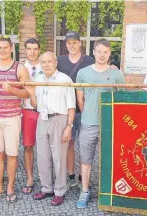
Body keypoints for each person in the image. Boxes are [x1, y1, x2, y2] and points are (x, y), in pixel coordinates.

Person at [76, 39, 125, 208]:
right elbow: (80, 99)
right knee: (85, 159)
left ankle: (108, 192)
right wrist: (88, 114)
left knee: (109, 159)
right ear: (94, 52)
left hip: (109, 124)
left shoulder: (117, 75)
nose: (102, 55)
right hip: (88, 123)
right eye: (99, 51)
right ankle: (85, 191)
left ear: (109, 53)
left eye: (105, 52)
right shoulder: (83, 73)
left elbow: (121, 99)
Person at [0, 36, 31, 203]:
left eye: (5, 47)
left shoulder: (20, 68)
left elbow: (27, 94)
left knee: (12, 154)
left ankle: (10, 187)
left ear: (11, 48)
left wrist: (12, 89)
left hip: (12, 118)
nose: (2, 50)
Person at [31, 52, 76, 206]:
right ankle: (46, 188)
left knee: (59, 157)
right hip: (42, 119)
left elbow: (71, 106)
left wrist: (68, 127)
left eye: (49, 61)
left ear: (55, 62)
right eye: (43, 62)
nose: (46, 64)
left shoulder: (65, 80)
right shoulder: (37, 79)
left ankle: (60, 190)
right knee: (42, 156)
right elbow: (34, 103)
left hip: (60, 119)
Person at [57, 31, 95, 188]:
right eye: (69, 43)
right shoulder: (59, 60)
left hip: (85, 108)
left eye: (75, 42)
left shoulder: (89, 60)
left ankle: (82, 176)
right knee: (70, 143)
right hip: (67, 110)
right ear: (66, 44)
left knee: (84, 144)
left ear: (80, 43)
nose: (72, 45)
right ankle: (71, 174)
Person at [21, 38, 43, 194]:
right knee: (28, 146)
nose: (32, 52)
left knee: (47, 148)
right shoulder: (20, 67)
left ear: (39, 50)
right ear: (25, 50)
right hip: (27, 111)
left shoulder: (48, 64)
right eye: (29, 49)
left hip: (45, 112)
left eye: (35, 48)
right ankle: (29, 177)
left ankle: (46, 179)